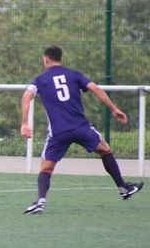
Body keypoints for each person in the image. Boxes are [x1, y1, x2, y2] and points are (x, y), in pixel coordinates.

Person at [20, 45, 144, 214]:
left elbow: (27, 96)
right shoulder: (74, 74)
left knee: (46, 169)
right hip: (81, 127)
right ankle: (123, 188)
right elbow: (94, 88)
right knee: (105, 150)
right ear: (60, 58)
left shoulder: (40, 79)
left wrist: (25, 123)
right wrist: (113, 108)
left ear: (46, 59)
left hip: (59, 132)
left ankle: (40, 201)